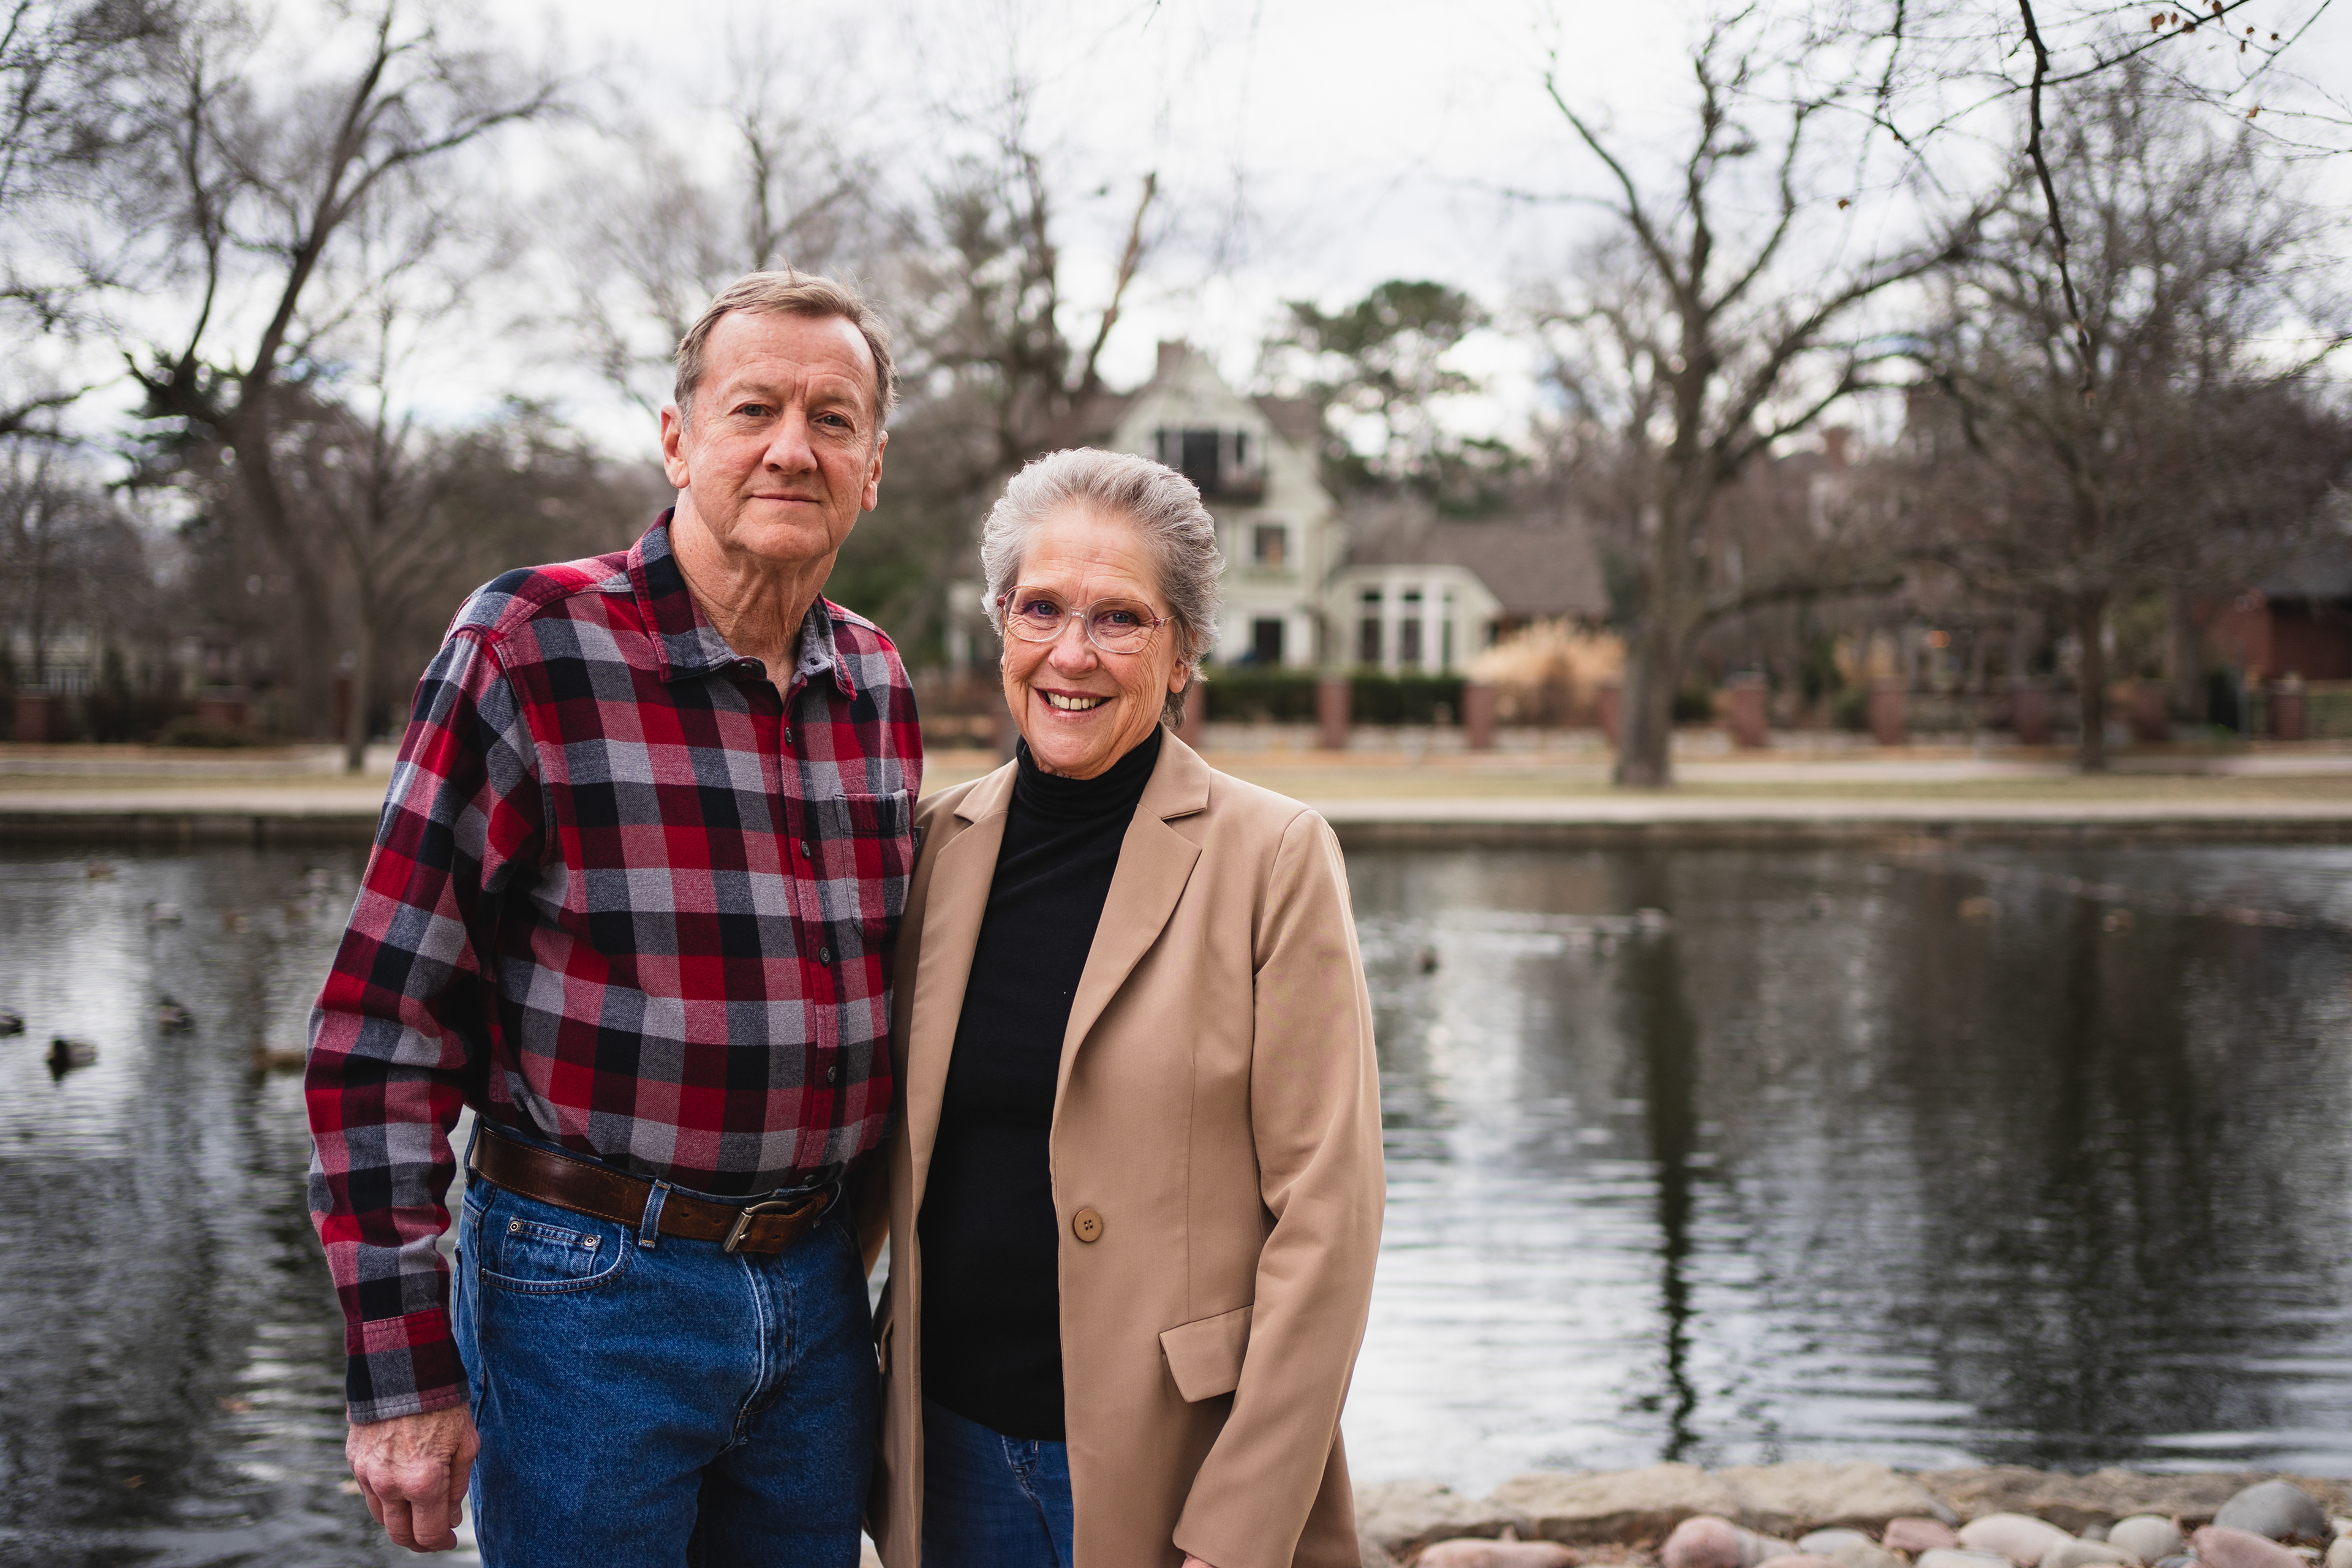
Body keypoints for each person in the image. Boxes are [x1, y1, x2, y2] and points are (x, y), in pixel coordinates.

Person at [304, 270, 919, 1566]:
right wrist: (405, 1371)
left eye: (836, 418)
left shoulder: (872, 676)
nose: (793, 447)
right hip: (585, 1291)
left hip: (814, 1287)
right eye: (755, 407)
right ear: (679, 437)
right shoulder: (531, 643)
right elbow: (379, 1029)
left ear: (873, 468)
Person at [867, 448, 1385, 1568]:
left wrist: (1240, 1530)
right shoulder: (928, 848)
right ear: (1000, 621)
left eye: (1119, 619)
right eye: (1041, 608)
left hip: (1179, 1463)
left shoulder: (1275, 856)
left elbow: (1329, 1223)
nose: (1071, 654)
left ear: (1185, 650)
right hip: (945, 1456)